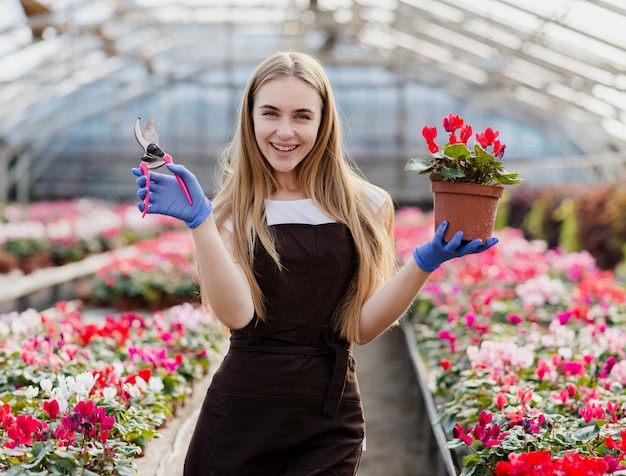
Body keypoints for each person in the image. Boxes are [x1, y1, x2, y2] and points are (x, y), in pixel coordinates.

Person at [132, 50, 497, 476]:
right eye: (270, 113)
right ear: (250, 119)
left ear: (324, 123)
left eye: (302, 116)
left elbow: (360, 327)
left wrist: (424, 262)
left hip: (330, 417)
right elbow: (238, 315)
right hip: (241, 414)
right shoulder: (231, 211)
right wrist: (200, 222)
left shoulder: (368, 205)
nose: (284, 131)